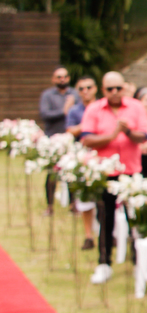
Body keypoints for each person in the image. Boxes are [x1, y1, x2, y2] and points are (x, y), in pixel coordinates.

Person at [81, 72, 147, 284]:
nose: (115, 92)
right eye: (110, 89)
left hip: (131, 171)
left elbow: (144, 135)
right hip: (105, 172)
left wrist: (127, 132)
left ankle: (139, 263)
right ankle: (104, 263)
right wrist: (112, 135)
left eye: (118, 88)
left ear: (124, 88)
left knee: (135, 218)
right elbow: (86, 139)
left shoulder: (136, 106)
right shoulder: (95, 109)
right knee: (105, 217)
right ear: (103, 90)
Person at [39, 66, 80, 214]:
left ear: (69, 78)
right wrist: (64, 110)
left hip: (71, 139)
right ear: (53, 79)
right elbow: (44, 114)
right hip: (53, 139)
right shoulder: (47, 95)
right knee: (52, 174)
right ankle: (50, 206)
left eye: (65, 76)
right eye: (59, 77)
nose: (62, 79)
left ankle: (73, 204)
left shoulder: (75, 94)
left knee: (71, 173)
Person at [67, 77, 98, 249]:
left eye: (88, 87)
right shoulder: (75, 110)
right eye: (81, 88)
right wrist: (86, 123)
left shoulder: (103, 107)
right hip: (83, 156)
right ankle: (88, 235)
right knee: (86, 197)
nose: (85, 91)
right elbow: (70, 130)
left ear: (96, 88)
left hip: (102, 155)